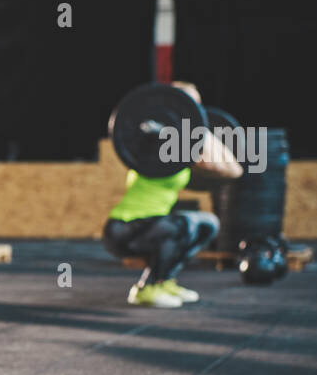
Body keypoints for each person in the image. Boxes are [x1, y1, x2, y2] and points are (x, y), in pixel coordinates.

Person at [101, 81, 243, 307]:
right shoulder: (154, 145)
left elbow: (233, 169)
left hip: (153, 226)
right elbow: (220, 164)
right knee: (182, 225)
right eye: (189, 104)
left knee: (208, 224)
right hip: (125, 228)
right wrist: (195, 131)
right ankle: (147, 290)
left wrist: (199, 129)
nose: (195, 110)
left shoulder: (183, 149)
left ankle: (165, 281)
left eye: (197, 105)